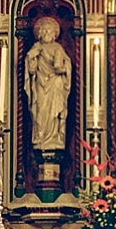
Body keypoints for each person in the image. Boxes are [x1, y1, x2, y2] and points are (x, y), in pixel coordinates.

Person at [24, 17, 72, 153]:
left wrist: (63, 70)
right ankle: (41, 137)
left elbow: (66, 64)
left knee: (54, 113)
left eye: (48, 31)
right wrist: (32, 58)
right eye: (43, 31)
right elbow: (31, 69)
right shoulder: (36, 48)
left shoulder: (58, 48)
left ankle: (55, 137)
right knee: (40, 111)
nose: (46, 33)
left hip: (55, 85)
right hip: (40, 83)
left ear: (53, 34)